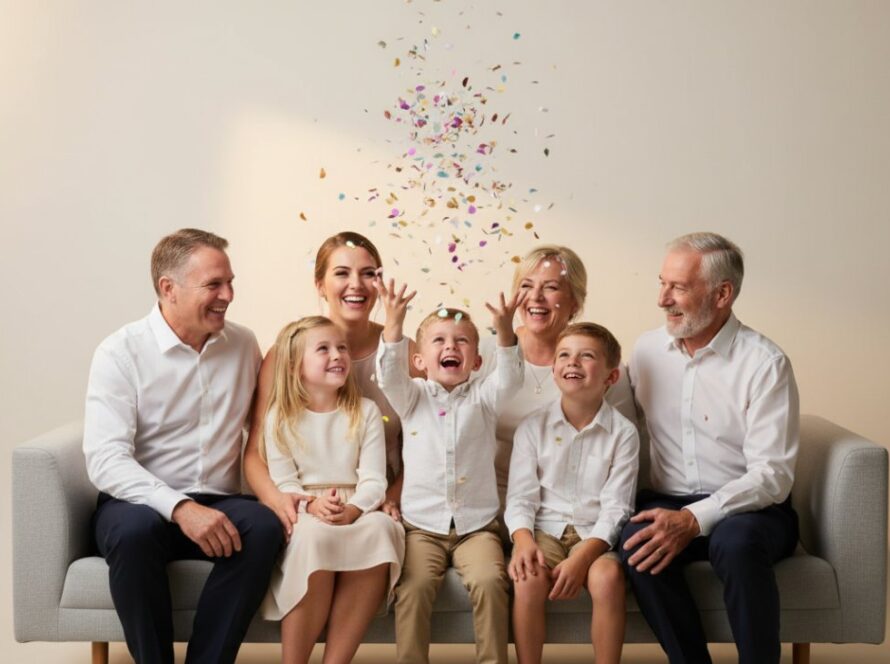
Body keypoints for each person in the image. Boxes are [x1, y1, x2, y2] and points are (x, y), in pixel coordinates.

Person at [83, 228, 283, 664]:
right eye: (214, 284)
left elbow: (270, 428)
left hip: (221, 500)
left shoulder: (244, 343)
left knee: (263, 528)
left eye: (230, 282)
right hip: (137, 502)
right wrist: (179, 507)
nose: (228, 295)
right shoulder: (120, 352)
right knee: (135, 532)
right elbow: (105, 460)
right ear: (168, 289)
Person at [620, 232, 800, 664]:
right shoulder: (647, 350)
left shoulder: (765, 363)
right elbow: (612, 423)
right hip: (668, 497)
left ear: (723, 294)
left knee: (735, 545)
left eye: (678, 287)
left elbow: (772, 475)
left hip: (753, 508)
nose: (663, 299)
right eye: (662, 283)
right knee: (635, 542)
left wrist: (693, 519)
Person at [375, 278, 526, 664]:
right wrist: (394, 323)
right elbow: (390, 372)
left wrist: (506, 330)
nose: (450, 347)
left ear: (476, 361)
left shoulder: (484, 398)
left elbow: (511, 377)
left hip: (477, 527)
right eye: (439, 341)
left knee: (492, 582)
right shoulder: (411, 397)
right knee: (413, 588)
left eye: (461, 341)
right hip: (421, 527)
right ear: (420, 360)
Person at [243, 231, 412, 538]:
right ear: (320, 285)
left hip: (379, 502)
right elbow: (256, 451)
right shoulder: (287, 353)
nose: (356, 285)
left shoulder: (408, 354)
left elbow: (426, 447)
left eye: (368, 274)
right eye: (341, 273)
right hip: (305, 505)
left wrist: (389, 499)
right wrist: (282, 502)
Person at [259, 316, 404, 664]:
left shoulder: (365, 412)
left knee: (381, 530)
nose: (337, 355)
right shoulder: (279, 417)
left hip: (358, 506)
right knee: (313, 538)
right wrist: (312, 506)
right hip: (306, 508)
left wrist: (353, 509)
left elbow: (373, 479)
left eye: (341, 348)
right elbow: (285, 482)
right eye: (323, 349)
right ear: (296, 366)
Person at [477, 245, 637, 540]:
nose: (536, 297)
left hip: (563, 516)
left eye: (551, 287)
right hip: (487, 506)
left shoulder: (599, 368)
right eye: (526, 286)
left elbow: (623, 449)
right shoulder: (483, 353)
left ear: (575, 302)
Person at [506, 322, 639, 664]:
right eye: (564, 355)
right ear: (553, 371)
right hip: (544, 529)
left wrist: (582, 558)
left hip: (594, 533)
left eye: (587, 356)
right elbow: (520, 497)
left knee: (608, 577)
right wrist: (523, 541)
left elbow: (618, 508)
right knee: (528, 578)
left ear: (611, 377)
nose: (572, 362)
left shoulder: (623, 433)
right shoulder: (532, 427)